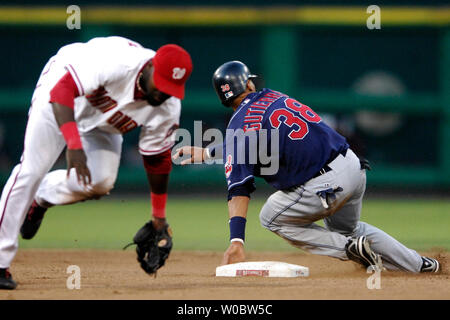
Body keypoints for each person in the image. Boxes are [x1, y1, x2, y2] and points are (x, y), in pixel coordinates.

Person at [173, 61, 440, 274]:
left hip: (325, 182)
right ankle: (418, 264)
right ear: (249, 83)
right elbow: (251, 143)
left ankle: (350, 249)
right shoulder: (274, 97)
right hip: (352, 166)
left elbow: (239, 188)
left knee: (270, 217)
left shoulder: (238, 126)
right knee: (350, 229)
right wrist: (209, 152)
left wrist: (236, 241)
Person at [0, 36, 193, 290]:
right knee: (32, 170)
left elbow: (156, 161)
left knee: (100, 182)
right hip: (61, 93)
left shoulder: (167, 106)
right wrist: (73, 144)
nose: (163, 93)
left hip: (102, 123)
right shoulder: (117, 62)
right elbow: (62, 91)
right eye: (161, 83)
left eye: (171, 89)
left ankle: (41, 198)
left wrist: (159, 217)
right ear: (150, 66)